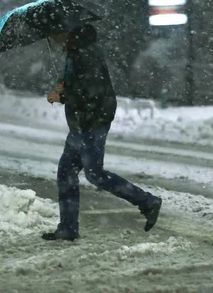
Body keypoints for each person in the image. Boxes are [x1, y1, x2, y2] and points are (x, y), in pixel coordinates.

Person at [43, 23, 162, 241]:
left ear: (65, 31)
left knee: (95, 174)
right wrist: (65, 86)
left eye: (54, 34)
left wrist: (63, 97)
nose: (53, 40)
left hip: (93, 121)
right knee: (66, 173)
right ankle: (68, 228)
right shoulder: (75, 51)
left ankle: (147, 201)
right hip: (82, 122)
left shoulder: (85, 53)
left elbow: (91, 93)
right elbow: (80, 86)